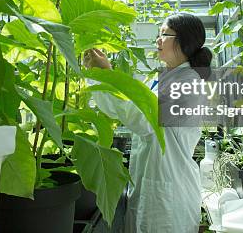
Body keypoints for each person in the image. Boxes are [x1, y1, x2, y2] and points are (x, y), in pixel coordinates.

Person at [84, 13, 213, 233]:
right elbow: (127, 110)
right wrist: (100, 76)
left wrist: (106, 74)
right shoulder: (167, 78)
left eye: (165, 34)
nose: (158, 40)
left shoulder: (187, 83)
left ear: (185, 41)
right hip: (157, 182)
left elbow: (141, 119)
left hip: (168, 191)